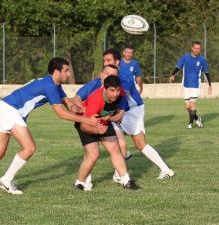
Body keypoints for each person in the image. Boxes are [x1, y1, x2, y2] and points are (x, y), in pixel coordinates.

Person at [0, 57, 99, 195]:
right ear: (56, 72)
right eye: (66, 70)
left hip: (2, 106)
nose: (69, 74)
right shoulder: (49, 85)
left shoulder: (55, 85)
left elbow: (69, 105)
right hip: (10, 110)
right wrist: (88, 121)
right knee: (29, 148)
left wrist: (83, 111)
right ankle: (6, 180)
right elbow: (61, 113)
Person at [76, 48, 174, 184]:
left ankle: (165, 169)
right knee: (106, 143)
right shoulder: (101, 80)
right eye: (104, 61)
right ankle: (114, 174)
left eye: (109, 60)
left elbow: (119, 99)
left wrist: (103, 114)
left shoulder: (123, 79)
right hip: (116, 112)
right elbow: (78, 97)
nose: (106, 63)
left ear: (118, 62)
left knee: (139, 144)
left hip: (132, 111)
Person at [74, 73, 140, 191]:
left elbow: (120, 114)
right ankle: (79, 183)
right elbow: (84, 125)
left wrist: (110, 119)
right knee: (93, 155)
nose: (116, 94)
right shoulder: (96, 100)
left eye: (118, 90)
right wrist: (97, 130)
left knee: (115, 149)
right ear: (104, 89)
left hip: (104, 122)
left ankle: (126, 181)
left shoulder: (122, 94)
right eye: (112, 90)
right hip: (87, 124)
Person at [169, 41, 212, 129]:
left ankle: (190, 124)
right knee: (188, 106)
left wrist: (209, 85)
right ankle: (197, 118)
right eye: (195, 48)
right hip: (185, 85)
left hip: (196, 85)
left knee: (192, 104)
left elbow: (206, 73)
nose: (197, 50)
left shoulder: (202, 60)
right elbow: (178, 67)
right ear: (192, 48)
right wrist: (173, 74)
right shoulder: (185, 57)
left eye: (199, 48)